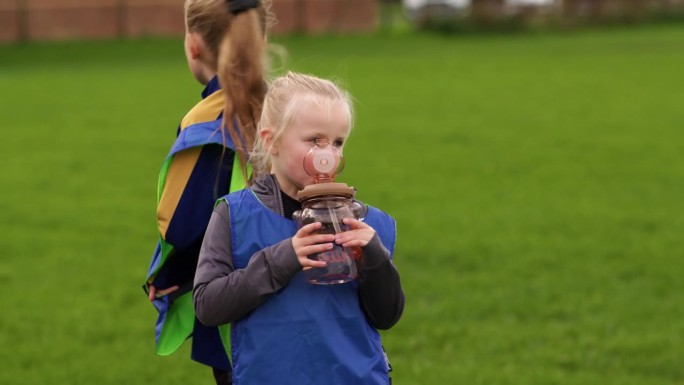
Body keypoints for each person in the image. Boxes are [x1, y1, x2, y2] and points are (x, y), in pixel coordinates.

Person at [193, 72, 405, 385]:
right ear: (271, 141)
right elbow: (208, 305)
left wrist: (374, 258)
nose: (327, 154)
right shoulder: (235, 215)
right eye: (314, 140)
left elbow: (387, 315)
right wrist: (281, 260)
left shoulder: (368, 224)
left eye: (337, 142)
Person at [143, 1, 273, 384]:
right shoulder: (289, 105)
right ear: (261, 40)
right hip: (302, 294)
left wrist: (175, 274)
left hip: (237, 308)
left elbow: (184, 226)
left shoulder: (208, 122)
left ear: (193, 45)